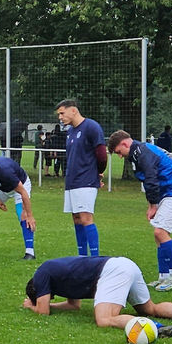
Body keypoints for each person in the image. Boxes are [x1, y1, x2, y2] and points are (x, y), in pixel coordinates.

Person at [22, 255, 172, 336]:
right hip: (124, 264)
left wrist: (31, 307)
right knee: (150, 308)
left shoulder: (41, 274)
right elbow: (73, 306)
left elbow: (43, 311)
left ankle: (158, 329)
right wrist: (51, 307)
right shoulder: (57, 278)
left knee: (104, 319)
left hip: (110, 271)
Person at [107, 130, 172, 291]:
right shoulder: (139, 151)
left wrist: (153, 205)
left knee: (160, 233)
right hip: (169, 193)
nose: (120, 156)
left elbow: (151, 179)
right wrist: (151, 204)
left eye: (119, 152)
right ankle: (164, 276)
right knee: (159, 235)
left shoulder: (142, 153)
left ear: (125, 143)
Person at [55, 99, 107, 257]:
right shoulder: (70, 131)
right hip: (72, 182)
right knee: (76, 219)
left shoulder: (91, 127)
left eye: (62, 113)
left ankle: (95, 258)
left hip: (86, 181)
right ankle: (82, 256)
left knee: (85, 218)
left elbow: (102, 155)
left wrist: (98, 173)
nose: (60, 117)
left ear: (73, 111)